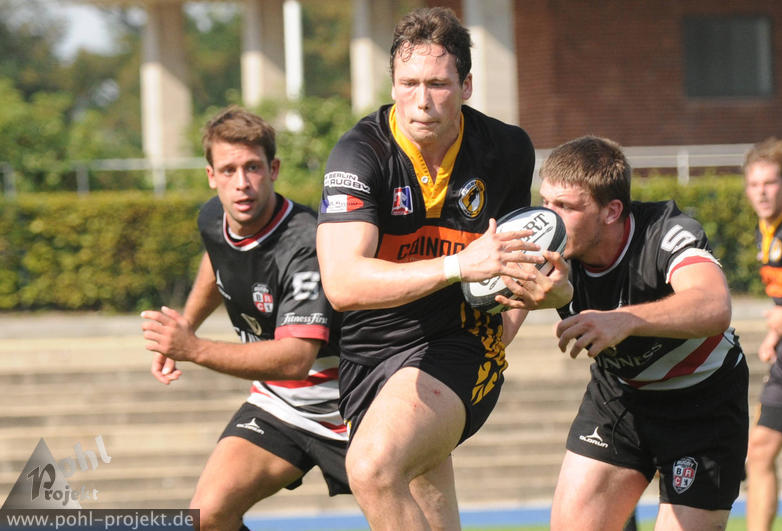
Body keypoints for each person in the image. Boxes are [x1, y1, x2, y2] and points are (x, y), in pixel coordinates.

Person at [315, 7, 572, 530]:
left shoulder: (505, 149)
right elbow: (341, 284)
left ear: (466, 86)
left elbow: (517, 259)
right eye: (408, 83)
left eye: (438, 84)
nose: (422, 100)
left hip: (461, 340)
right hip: (369, 351)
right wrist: (458, 264)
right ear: (392, 84)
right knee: (427, 505)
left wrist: (521, 315)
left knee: (372, 469)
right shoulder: (360, 154)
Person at [140, 106, 348, 531]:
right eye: (228, 170)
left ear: (273, 169)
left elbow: (295, 359)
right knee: (208, 515)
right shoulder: (213, 218)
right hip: (280, 406)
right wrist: (187, 325)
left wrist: (193, 348)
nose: (242, 183)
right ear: (210, 176)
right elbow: (218, 261)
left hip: (356, 409)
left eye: (252, 167)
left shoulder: (306, 243)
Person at [539, 136, 749, 530]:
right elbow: (503, 323)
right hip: (619, 397)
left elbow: (715, 305)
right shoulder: (547, 245)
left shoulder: (666, 233)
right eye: (545, 202)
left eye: (565, 206)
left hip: (704, 403)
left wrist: (625, 320)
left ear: (611, 211)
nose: (549, 217)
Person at [742, 138, 782, 531]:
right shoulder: (767, 228)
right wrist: (776, 334)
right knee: (758, 452)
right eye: (753, 184)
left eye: (769, 183)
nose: (761, 192)